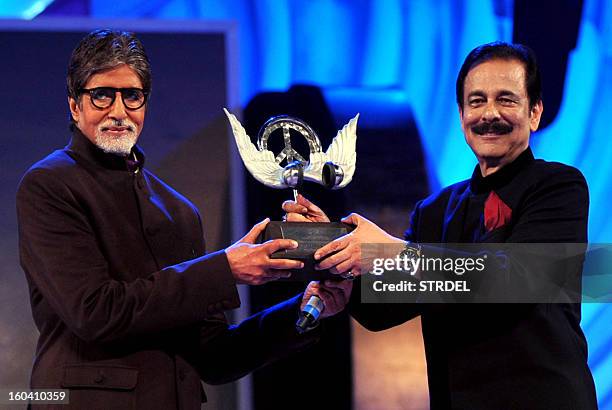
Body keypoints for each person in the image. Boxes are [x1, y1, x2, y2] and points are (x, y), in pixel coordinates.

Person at [16, 29, 351, 410]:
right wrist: (225, 268)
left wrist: (305, 309)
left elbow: (214, 356)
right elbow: (95, 312)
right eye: (102, 95)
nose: (119, 111)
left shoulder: (179, 211)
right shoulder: (50, 185)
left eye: (132, 96)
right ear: (75, 106)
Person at [286, 42, 598, 409]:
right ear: (462, 114)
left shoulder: (559, 186)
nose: (489, 113)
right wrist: (342, 265)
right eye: (476, 101)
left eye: (507, 100)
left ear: (534, 113)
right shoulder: (435, 210)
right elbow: (386, 306)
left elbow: (516, 278)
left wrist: (393, 253)